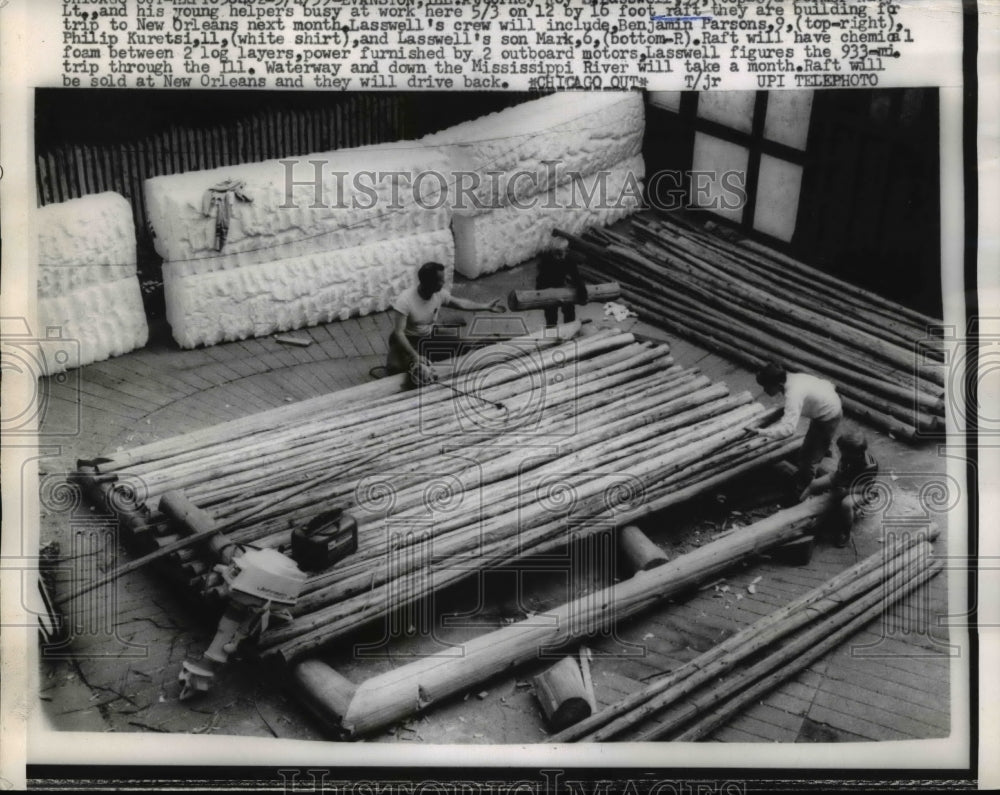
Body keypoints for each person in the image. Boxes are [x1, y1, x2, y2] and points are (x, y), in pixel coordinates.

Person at [386, 261, 505, 380]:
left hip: (429, 335)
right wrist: (414, 356)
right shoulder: (405, 300)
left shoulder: (439, 294)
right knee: (394, 369)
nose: (443, 283)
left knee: (461, 346)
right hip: (408, 339)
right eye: (440, 280)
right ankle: (422, 357)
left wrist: (485, 306)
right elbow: (399, 333)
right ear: (429, 283)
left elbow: (461, 304)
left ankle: (484, 340)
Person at [750, 362, 844, 497]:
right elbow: (827, 384)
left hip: (828, 416)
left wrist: (760, 432)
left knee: (807, 460)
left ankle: (808, 491)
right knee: (817, 443)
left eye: (766, 387)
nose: (764, 390)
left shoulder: (793, 393)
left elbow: (788, 430)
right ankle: (825, 448)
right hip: (830, 404)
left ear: (779, 385)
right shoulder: (793, 377)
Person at [800, 431, 879, 547]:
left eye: (843, 451)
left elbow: (864, 487)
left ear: (856, 453)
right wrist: (837, 479)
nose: (840, 452)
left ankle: (845, 532)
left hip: (861, 489)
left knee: (846, 504)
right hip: (845, 478)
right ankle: (797, 506)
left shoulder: (869, 465)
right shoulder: (848, 453)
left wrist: (845, 491)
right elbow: (840, 470)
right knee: (814, 484)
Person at [535, 247, 587, 328]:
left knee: (569, 307)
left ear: (566, 252)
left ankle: (569, 327)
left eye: (562, 254)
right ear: (553, 252)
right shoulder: (546, 259)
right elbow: (540, 280)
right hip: (547, 285)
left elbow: (576, 277)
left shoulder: (569, 259)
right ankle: (551, 329)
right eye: (558, 254)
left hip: (560, 284)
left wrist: (582, 293)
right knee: (551, 312)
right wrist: (540, 296)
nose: (561, 257)